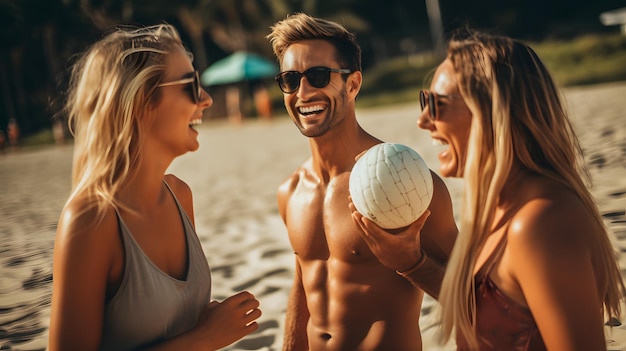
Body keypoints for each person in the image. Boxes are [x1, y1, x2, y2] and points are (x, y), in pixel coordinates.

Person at [351, 29, 625, 350]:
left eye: (436, 104)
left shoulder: (541, 222)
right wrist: (411, 262)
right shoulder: (501, 207)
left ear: (490, 112)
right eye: (424, 101)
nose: (423, 121)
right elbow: (491, 309)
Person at [48, 24, 261, 351]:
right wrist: (204, 338)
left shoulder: (180, 195)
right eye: (191, 85)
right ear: (142, 101)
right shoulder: (91, 220)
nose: (206, 99)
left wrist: (206, 319)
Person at [266, 13, 458, 350]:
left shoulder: (405, 183)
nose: (303, 91)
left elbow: (474, 296)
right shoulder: (291, 190)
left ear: (352, 84)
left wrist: (413, 263)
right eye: (290, 79)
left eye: (318, 75)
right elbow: (304, 284)